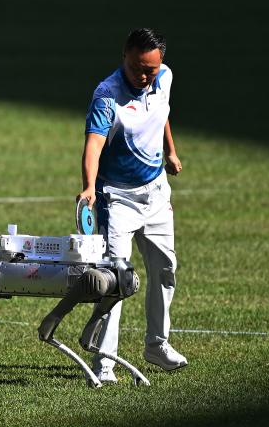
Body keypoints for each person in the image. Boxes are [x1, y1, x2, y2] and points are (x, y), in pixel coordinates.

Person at [76, 27, 188, 383]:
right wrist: (89, 186)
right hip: (118, 199)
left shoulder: (163, 78)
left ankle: (157, 344)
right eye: (138, 67)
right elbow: (93, 143)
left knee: (165, 268)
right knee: (117, 281)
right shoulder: (107, 96)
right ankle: (105, 363)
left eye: (150, 69)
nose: (144, 76)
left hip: (156, 193)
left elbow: (161, 110)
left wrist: (169, 149)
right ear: (124, 56)